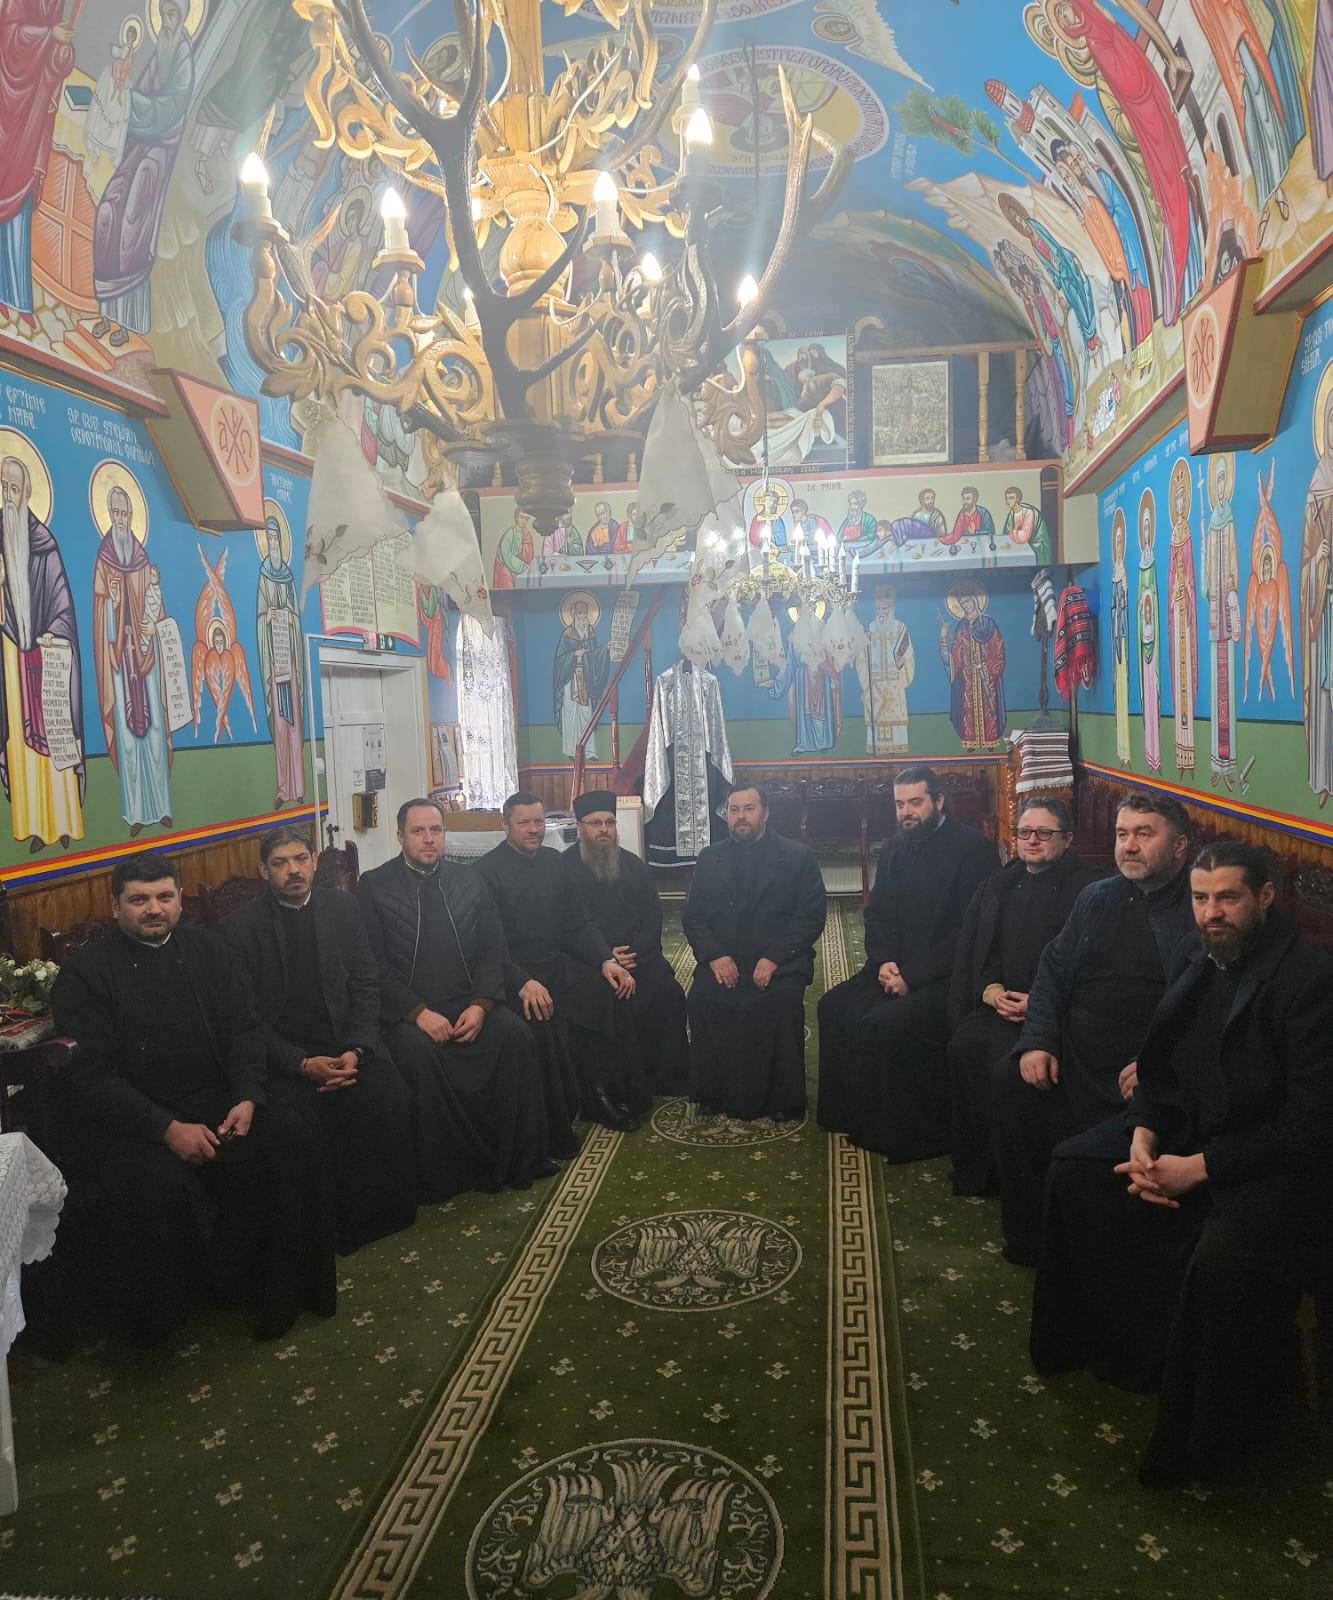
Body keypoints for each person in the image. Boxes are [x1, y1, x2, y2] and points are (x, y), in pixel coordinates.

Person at [1030, 840, 1333, 1486]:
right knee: (1075, 1173)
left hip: (1277, 1166)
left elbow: (1311, 1125)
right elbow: (1163, 1063)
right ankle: (1128, 1352)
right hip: (1186, 1128)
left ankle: (1204, 1442)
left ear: (1264, 897)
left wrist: (1199, 1167)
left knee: (1219, 1260)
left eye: (1227, 898)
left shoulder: (1310, 979)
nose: (1210, 913)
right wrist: (1144, 1129)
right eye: (1199, 898)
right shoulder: (1198, 954)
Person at [51, 852, 336, 1345]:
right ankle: (174, 1315)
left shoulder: (210, 950)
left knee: (290, 1136)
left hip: (218, 1097)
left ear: (180, 900)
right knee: (159, 1187)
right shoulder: (85, 976)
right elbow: (91, 1079)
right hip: (137, 1120)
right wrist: (165, 1129)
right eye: (139, 900)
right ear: (116, 906)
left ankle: (281, 1288)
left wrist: (247, 1096)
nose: (154, 909)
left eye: (164, 896)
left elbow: (244, 1030)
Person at [994, 791, 1194, 1264]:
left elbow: (1204, 1010)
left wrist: (1158, 1066)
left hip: (1137, 1071)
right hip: (1073, 1054)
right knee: (1009, 1084)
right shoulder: (1099, 897)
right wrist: (1038, 1039)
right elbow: (1053, 970)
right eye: (1122, 834)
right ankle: (1032, 1240)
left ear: (1180, 846)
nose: (1129, 845)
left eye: (1144, 834)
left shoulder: (1197, 907)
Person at [357, 798, 571, 1191]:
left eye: (435, 830)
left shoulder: (470, 880)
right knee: (421, 1057)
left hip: (468, 1002)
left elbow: (493, 950)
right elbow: (373, 966)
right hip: (408, 1014)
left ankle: (519, 1158)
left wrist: (481, 1005)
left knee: (516, 1036)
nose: (428, 839)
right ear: (400, 837)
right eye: (418, 831)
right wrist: (418, 1013)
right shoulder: (374, 886)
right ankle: (449, 1174)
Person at [221, 826, 418, 1251]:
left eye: (300, 859)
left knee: (390, 1096)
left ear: (314, 861)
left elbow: (366, 983)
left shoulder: (343, 907)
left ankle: (382, 1218)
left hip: (346, 1043)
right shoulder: (239, 929)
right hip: (285, 1058)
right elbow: (245, 1019)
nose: (293, 870)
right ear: (263, 870)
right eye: (280, 863)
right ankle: (327, 1230)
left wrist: (357, 1048)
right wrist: (300, 1063)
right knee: (299, 1128)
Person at [817, 766, 998, 1157]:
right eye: (900, 804)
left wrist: (912, 977)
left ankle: (897, 1133)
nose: (906, 812)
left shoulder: (973, 850)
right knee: (832, 1007)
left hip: (945, 978)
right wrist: (883, 960)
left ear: (938, 801)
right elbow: (876, 913)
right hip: (891, 967)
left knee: (886, 1024)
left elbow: (969, 934)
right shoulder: (896, 847)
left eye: (915, 802)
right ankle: (849, 1115)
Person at [945, 796, 1104, 1195]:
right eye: (1025, 832)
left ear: (1067, 838)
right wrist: (992, 992)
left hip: (1056, 1015)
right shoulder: (1000, 883)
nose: (1032, 840)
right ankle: (980, 1168)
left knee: (1005, 1067)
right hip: (1001, 1005)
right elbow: (981, 951)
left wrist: (1039, 1003)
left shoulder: (1091, 889)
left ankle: (1018, 1176)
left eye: (1044, 833)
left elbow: (1094, 967)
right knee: (964, 1045)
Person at [475, 791, 647, 1131]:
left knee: (607, 991)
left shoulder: (555, 862)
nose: (533, 829)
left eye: (539, 821)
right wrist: (522, 981)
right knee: (539, 1017)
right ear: (505, 825)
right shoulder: (485, 872)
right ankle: (552, 1117)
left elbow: (578, 923)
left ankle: (600, 1094)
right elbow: (489, 946)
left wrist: (605, 960)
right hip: (513, 973)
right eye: (524, 823)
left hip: (555, 963)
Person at [683, 784, 826, 1121]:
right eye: (734, 810)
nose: (741, 817)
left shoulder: (797, 857)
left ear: (765, 813)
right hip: (724, 958)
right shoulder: (710, 858)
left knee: (779, 1002)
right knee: (704, 998)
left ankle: (784, 1098)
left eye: (749, 809)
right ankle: (712, 1093)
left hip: (780, 960)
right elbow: (693, 917)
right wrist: (715, 956)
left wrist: (774, 957)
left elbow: (810, 917)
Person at [560, 790, 689, 1095]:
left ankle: (666, 1078)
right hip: (589, 963)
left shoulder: (634, 865)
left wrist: (635, 954)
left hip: (637, 957)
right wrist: (605, 957)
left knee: (669, 994)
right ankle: (622, 1087)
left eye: (610, 822)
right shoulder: (562, 870)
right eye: (595, 823)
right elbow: (566, 926)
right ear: (579, 827)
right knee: (607, 1001)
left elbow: (653, 916)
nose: (604, 829)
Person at [91, 0, 195, 347]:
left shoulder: (182, 57)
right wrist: (124, 94)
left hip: (159, 154)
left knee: (133, 222)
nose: (166, 21)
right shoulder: (161, 53)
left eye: (172, 15)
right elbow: (143, 92)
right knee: (109, 211)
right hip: (139, 146)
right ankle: (106, 313)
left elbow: (170, 107)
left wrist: (133, 102)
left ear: (183, 18)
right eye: (163, 14)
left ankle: (128, 322)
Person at [0, 453, 85, 850]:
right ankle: (33, 825)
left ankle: (63, 824)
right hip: (12, 659)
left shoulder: (44, 544)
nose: (8, 495)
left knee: (55, 740)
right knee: (21, 747)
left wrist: (55, 631)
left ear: (28, 492)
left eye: (14, 489)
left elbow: (62, 602)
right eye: (3, 487)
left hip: (47, 660)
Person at [91, 483, 174, 834]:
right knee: (128, 739)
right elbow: (100, 615)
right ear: (109, 516)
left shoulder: (142, 561)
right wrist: (111, 604)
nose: (121, 519)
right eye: (116, 513)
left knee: (154, 732)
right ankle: (136, 813)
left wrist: (154, 628)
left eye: (126, 513)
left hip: (146, 660)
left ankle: (162, 807)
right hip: (120, 661)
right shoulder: (103, 561)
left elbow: (156, 604)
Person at [256, 515, 305, 808]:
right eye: (270, 539)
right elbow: (260, 615)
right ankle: (283, 787)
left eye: (276, 539)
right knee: (280, 724)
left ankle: (298, 786)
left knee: (294, 724)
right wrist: (269, 616)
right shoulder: (263, 576)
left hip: (291, 661)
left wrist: (288, 616)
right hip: (275, 663)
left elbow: (296, 617)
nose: (273, 543)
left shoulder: (288, 577)